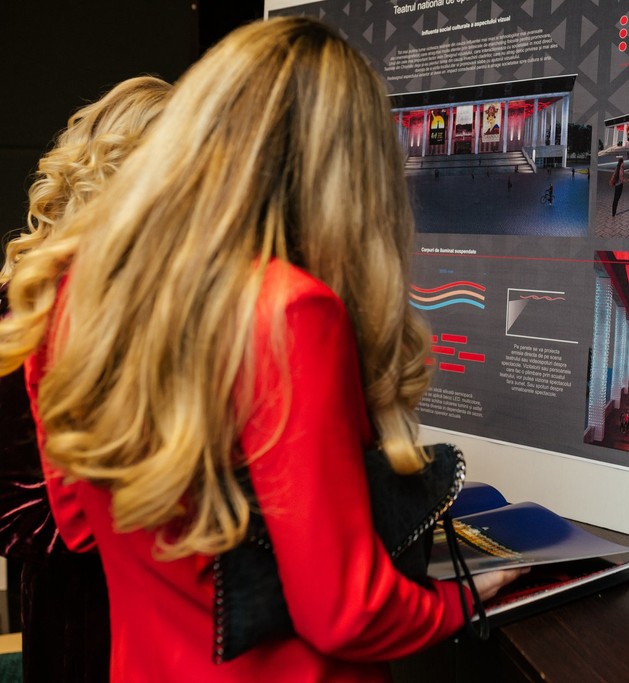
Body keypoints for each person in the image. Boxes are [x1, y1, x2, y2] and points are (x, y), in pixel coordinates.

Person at [0, 17, 520, 682]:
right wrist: (460, 601)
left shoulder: (78, 288)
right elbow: (345, 611)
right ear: (351, 174)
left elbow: (77, 525)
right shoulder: (290, 309)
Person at [0, 75, 171, 683]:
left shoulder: (162, 293)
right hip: (82, 606)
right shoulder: (27, 305)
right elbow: (17, 506)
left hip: (165, 602)